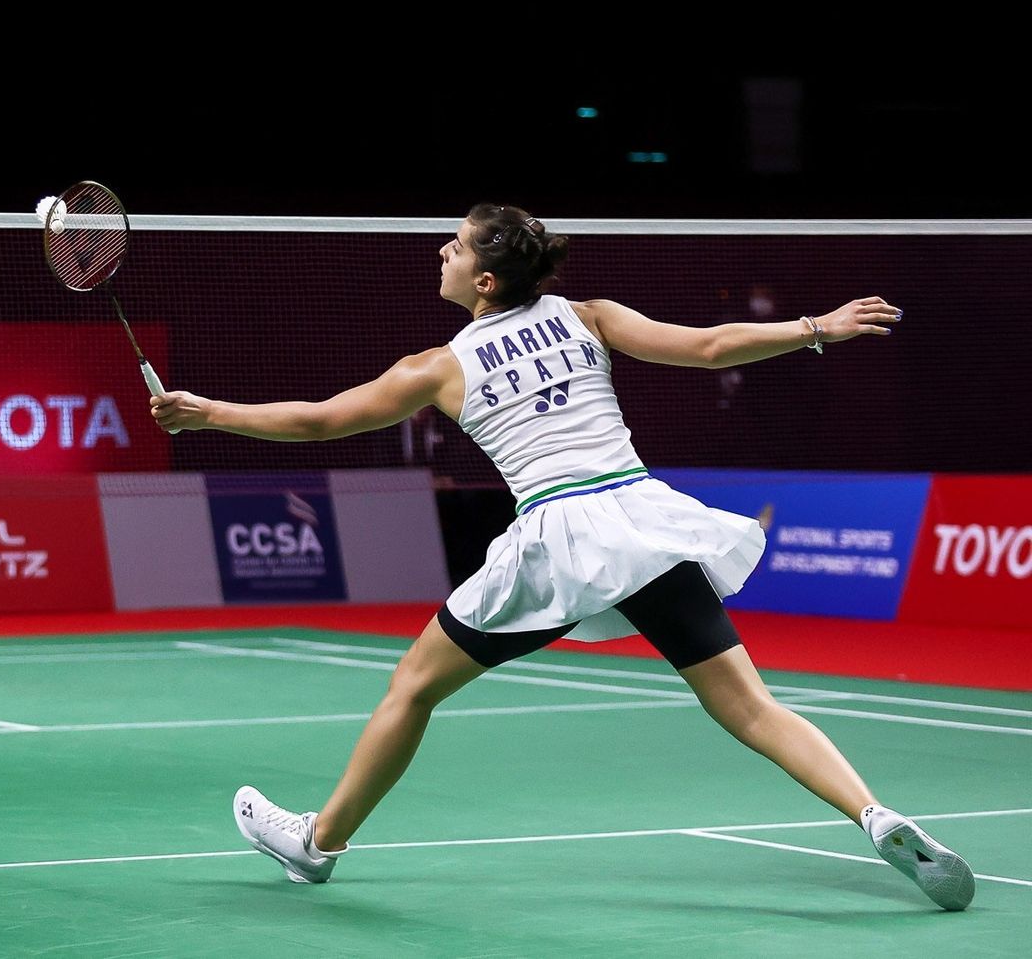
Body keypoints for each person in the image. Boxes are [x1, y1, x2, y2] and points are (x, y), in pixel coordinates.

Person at [149, 204, 975, 911]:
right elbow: (712, 347)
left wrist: (210, 412)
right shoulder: (590, 316)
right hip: (644, 521)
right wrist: (816, 328)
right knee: (751, 707)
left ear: (483, 281)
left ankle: (317, 842)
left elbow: (321, 422)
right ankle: (875, 816)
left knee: (413, 686)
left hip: (556, 542)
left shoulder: (435, 367)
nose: (442, 250)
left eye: (458, 244)